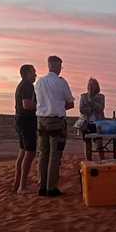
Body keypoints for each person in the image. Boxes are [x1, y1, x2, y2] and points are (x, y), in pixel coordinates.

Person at [34, 55, 75, 197]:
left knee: (43, 154)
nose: (60, 69)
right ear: (56, 66)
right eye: (60, 66)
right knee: (54, 155)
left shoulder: (39, 82)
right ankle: (51, 187)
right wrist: (58, 106)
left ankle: (42, 185)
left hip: (41, 120)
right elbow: (70, 102)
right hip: (56, 121)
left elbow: (38, 102)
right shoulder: (61, 82)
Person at [13, 64, 37, 193]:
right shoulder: (27, 86)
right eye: (33, 72)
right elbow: (27, 105)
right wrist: (43, 106)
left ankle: (17, 184)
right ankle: (22, 186)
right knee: (30, 152)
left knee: (22, 152)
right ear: (27, 73)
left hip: (20, 121)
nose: (35, 75)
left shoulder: (21, 85)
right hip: (26, 122)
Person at [79, 77, 106, 160]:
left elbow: (100, 108)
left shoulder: (101, 97)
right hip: (86, 123)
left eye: (93, 85)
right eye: (89, 85)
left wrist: (91, 101)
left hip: (97, 124)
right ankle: (89, 162)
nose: (91, 87)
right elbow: (81, 109)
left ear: (96, 86)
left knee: (99, 144)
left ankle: (102, 161)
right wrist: (91, 109)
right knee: (87, 144)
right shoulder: (83, 96)